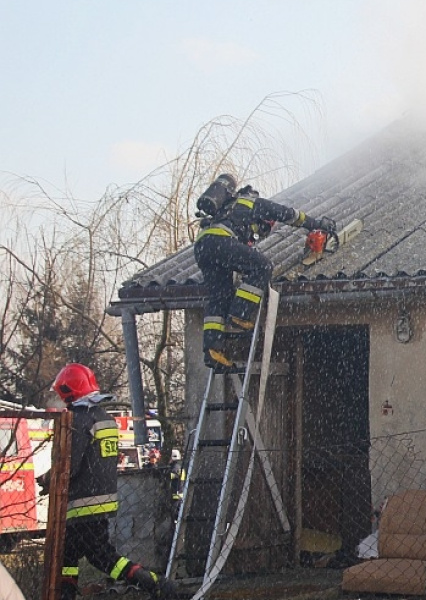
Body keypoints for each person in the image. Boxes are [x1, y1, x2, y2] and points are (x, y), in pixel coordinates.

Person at [38, 363, 175, 600]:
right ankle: (66, 594)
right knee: (68, 555)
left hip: (81, 504)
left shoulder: (78, 420)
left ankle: (154, 583)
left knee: (101, 557)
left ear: (69, 391)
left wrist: (47, 479)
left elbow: (68, 467)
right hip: (104, 501)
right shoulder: (105, 418)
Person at [192, 174, 335, 371]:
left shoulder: (226, 207)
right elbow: (288, 214)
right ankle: (240, 314)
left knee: (219, 294)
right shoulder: (253, 202)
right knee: (262, 267)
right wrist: (315, 224)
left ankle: (213, 349)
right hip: (221, 242)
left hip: (202, 247)